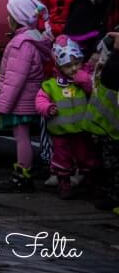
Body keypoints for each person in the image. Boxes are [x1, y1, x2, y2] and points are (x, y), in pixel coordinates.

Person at [0, 0, 53, 194]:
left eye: (9, 15)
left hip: (20, 100)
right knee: (23, 135)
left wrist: (4, 105)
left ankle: (22, 175)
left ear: (17, 18)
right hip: (27, 97)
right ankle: (23, 173)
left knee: (21, 137)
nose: (7, 18)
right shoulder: (33, 38)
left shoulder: (21, 44)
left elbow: (15, 79)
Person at [37, 37, 98, 199]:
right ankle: (64, 182)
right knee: (62, 158)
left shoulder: (84, 80)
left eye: (77, 63)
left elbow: (94, 92)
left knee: (85, 156)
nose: (74, 68)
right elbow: (40, 100)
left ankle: (90, 180)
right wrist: (47, 108)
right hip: (61, 132)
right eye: (68, 66)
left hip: (82, 131)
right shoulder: (51, 84)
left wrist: (85, 81)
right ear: (59, 66)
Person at [90, 32, 119, 212]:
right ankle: (112, 194)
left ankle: (115, 196)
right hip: (109, 121)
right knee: (110, 160)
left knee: (114, 160)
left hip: (113, 124)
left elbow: (111, 78)